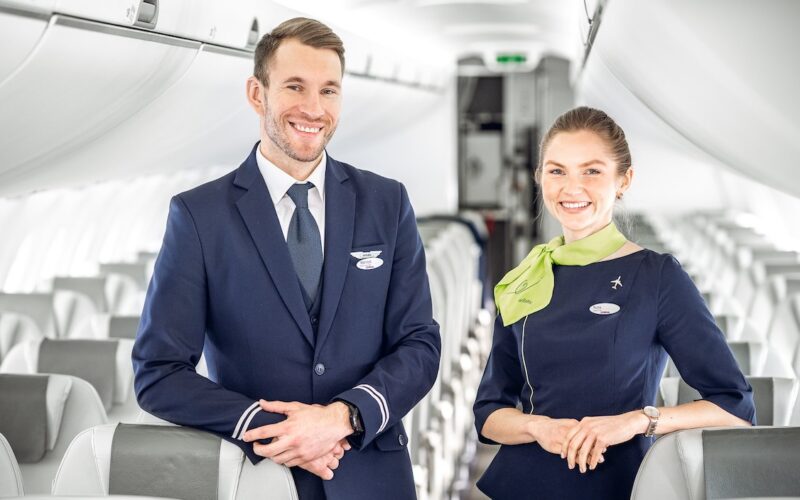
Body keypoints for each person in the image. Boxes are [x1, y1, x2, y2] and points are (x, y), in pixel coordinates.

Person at [132, 17, 440, 500]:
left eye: (329, 91)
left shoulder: (386, 202)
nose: (313, 109)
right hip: (258, 478)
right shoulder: (199, 216)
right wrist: (277, 428)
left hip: (372, 477)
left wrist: (342, 417)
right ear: (257, 94)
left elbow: (419, 344)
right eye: (295, 86)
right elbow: (159, 372)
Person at [472, 106, 755, 499]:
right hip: (523, 486)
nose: (572, 188)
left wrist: (637, 421)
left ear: (624, 180)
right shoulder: (525, 279)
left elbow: (734, 409)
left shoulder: (657, 277)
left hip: (619, 485)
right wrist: (539, 427)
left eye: (591, 171)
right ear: (539, 177)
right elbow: (489, 414)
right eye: (557, 171)